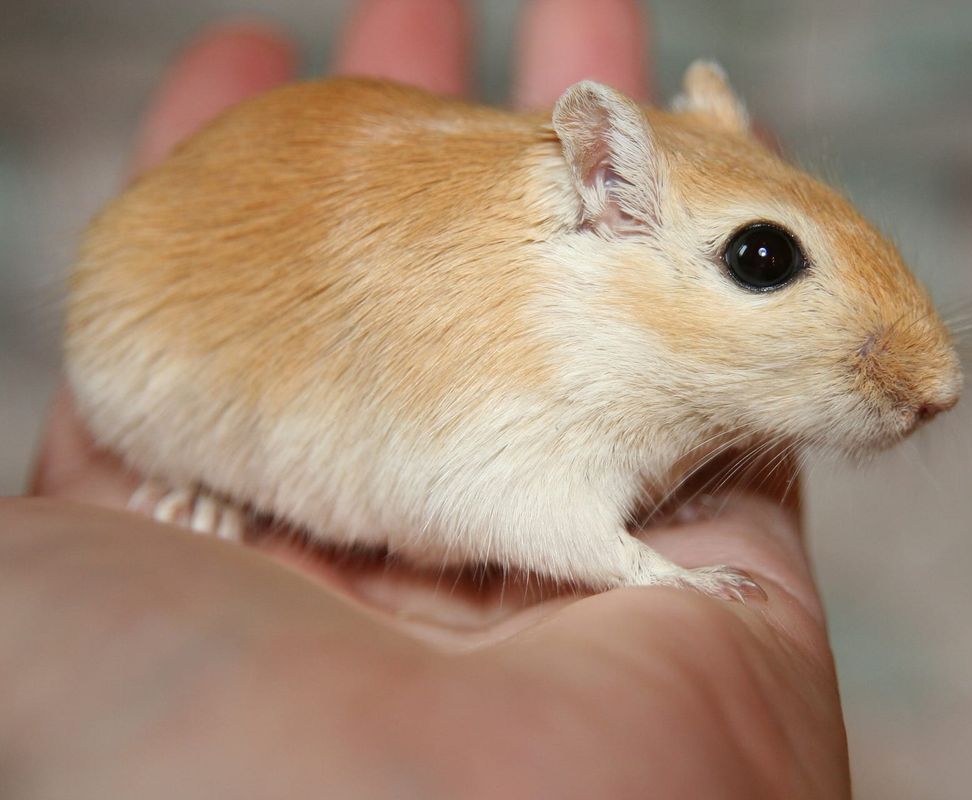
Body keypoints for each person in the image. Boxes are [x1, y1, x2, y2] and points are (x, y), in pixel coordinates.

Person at [2, 1, 850, 796]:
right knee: (123, 328)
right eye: (761, 261)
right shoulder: (530, 319)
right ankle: (191, 474)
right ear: (605, 191)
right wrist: (643, 568)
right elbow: (478, 498)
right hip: (163, 304)